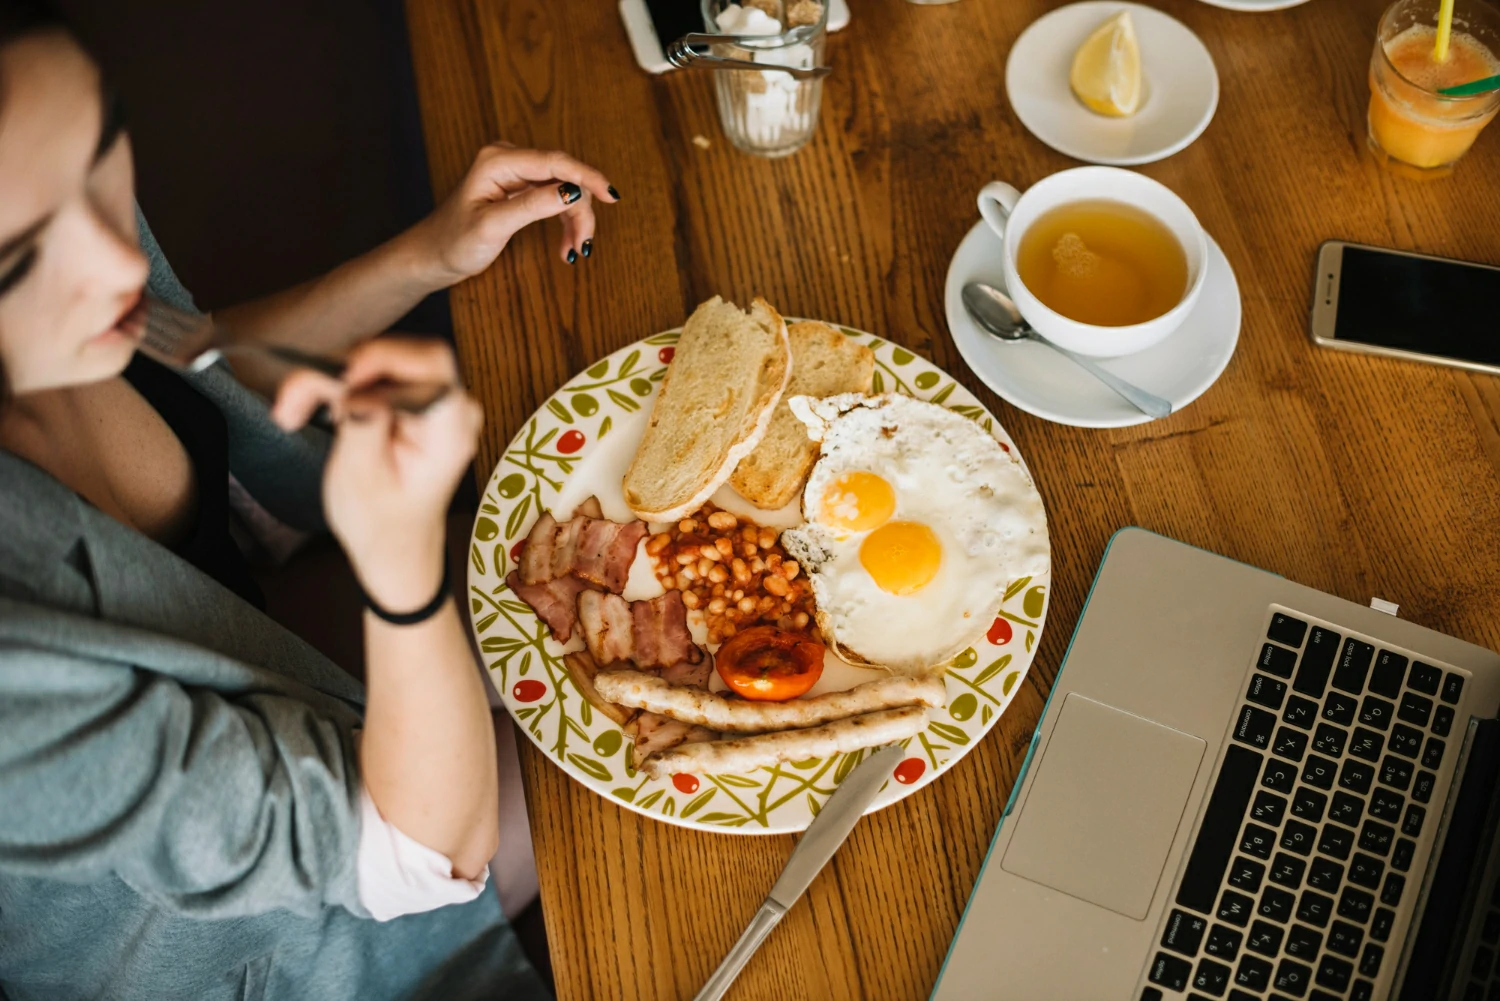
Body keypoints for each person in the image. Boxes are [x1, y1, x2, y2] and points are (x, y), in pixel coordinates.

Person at [0, 3, 617, 998]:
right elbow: (424, 851)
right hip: (300, 923)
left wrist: (425, 257)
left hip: (308, 650)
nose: (116, 260)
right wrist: (402, 573)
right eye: (18, 263)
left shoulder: (39, 186)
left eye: (102, 149)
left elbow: (181, 345)